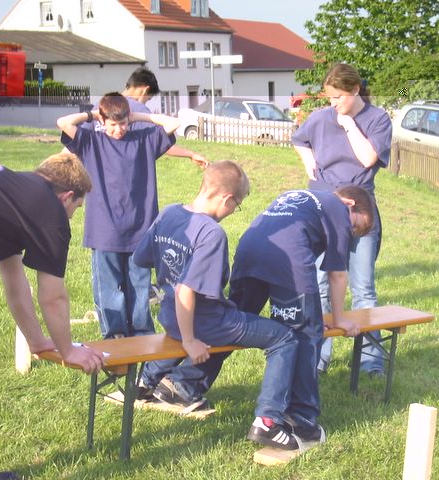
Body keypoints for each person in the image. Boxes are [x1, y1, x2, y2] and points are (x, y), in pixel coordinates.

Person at [132, 160, 303, 450]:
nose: (234, 211)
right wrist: (190, 341)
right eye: (238, 205)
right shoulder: (211, 233)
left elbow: (141, 258)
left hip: (170, 316)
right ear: (226, 198)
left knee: (235, 316)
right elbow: (186, 289)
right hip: (206, 323)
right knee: (284, 338)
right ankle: (268, 421)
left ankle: (147, 382)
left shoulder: (169, 213)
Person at [0, 154, 105, 480]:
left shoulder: (9, 192)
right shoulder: (49, 210)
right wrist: (68, 350)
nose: (72, 215)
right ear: (67, 196)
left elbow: (15, 282)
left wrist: (37, 341)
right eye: (77, 208)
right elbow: (53, 297)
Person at [228, 186, 375, 441]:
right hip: (288, 262)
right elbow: (337, 275)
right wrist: (338, 319)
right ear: (350, 204)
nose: (350, 232)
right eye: (355, 227)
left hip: (249, 250)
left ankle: (182, 383)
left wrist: (315, 316)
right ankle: (301, 419)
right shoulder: (340, 210)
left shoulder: (306, 197)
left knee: (232, 324)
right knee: (307, 335)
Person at [291, 63, 393, 376]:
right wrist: (308, 162)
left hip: (360, 212)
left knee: (364, 289)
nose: (333, 104)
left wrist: (349, 124)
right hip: (323, 209)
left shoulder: (377, 119)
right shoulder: (320, 117)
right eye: (330, 98)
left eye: (338, 97)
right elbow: (299, 139)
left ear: (355, 90)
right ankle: (319, 358)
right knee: (321, 286)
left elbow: (368, 158)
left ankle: (370, 360)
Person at [57, 92, 181, 340]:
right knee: (109, 288)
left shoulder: (144, 140)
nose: (119, 130)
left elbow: (173, 124)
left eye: (123, 123)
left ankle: (141, 334)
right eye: (113, 124)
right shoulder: (91, 141)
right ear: (103, 121)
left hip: (141, 228)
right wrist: (93, 115)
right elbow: (64, 122)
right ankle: (115, 335)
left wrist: (137, 117)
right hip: (104, 230)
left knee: (140, 285)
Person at [78, 67, 208, 169]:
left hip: (97, 173)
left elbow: (81, 140)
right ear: (145, 90)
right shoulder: (137, 108)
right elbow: (158, 141)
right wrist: (190, 154)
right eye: (148, 99)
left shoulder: (103, 104)